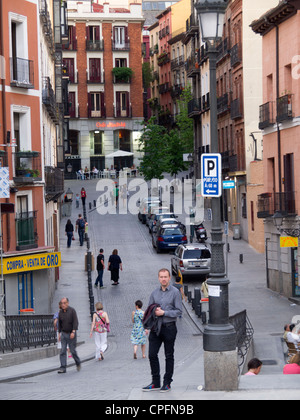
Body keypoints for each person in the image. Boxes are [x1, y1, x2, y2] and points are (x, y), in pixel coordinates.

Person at [142, 268, 182, 393]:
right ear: (158, 278)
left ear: (169, 278)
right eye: (161, 277)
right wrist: (151, 318)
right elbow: (149, 310)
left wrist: (164, 312)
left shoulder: (175, 292)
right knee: (152, 354)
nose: (163, 279)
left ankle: (167, 382)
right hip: (155, 328)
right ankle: (155, 382)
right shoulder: (154, 293)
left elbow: (179, 311)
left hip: (169, 327)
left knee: (169, 355)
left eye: (165, 277)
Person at [57, 297, 81, 373]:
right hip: (64, 333)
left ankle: (78, 362)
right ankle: (63, 367)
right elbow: (60, 324)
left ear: (67, 303)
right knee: (63, 350)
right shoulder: (60, 312)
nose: (63, 305)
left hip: (71, 333)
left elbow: (75, 322)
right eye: (61, 303)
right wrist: (59, 333)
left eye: (64, 303)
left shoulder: (72, 311)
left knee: (73, 351)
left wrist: (73, 332)